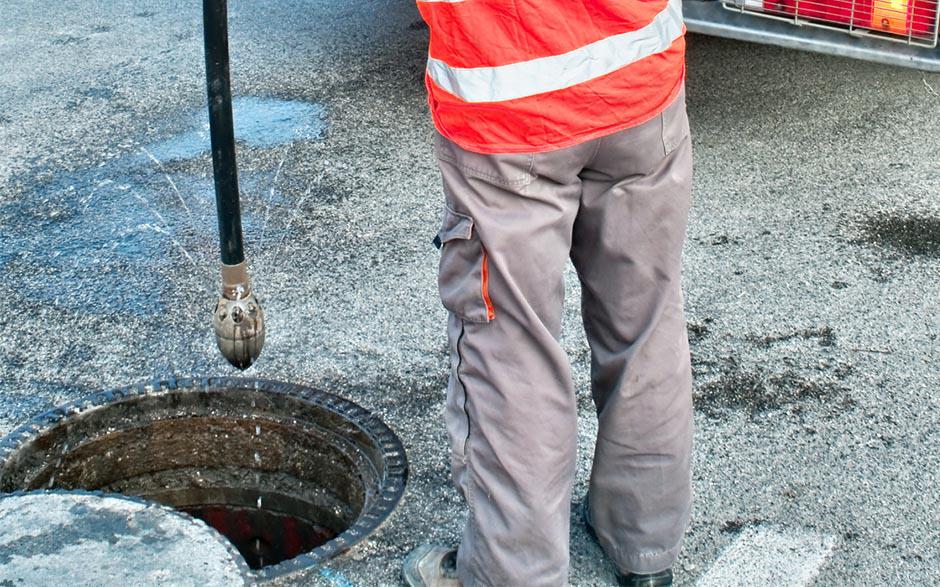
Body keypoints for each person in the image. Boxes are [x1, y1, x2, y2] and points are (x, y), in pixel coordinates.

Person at [402, 0, 693, 585]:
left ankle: (513, 573)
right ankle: (644, 544)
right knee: (645, 322)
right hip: (639, 80)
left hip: (508, 106)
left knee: (512, 354)